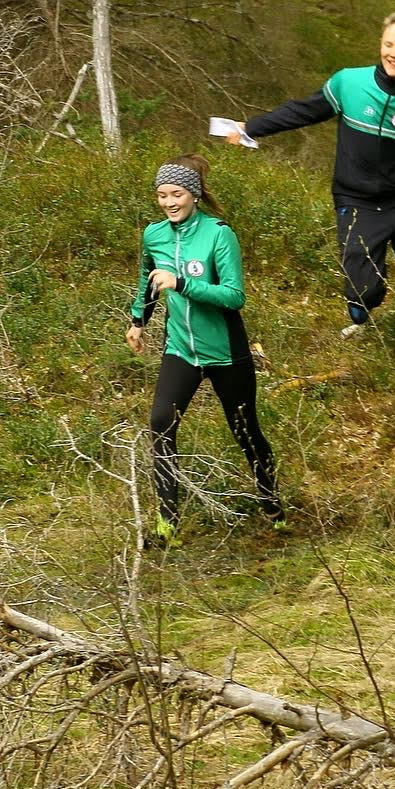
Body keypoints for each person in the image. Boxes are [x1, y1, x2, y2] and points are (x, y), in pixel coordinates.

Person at [223, 11, 395, 384]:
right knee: (363, 294)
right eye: (389, 44)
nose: (394, 53)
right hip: (357, 203)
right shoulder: (349, 84)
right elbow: (303, 111)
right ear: (380, 44)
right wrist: (250, 127)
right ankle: (365, 299)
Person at [126, 155, 284, 546]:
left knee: (246, 432)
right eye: (162, 195)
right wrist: (138, 321)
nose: (168, 202)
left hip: (227, 353)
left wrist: (181, 283)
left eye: (176, 194)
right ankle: (168, 523)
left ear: (193, 194)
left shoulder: (218, 234)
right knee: (161, 424)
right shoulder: (154, 235)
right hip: (180, 350)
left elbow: (233, 297)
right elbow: (148, 280)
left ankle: (273, 505)